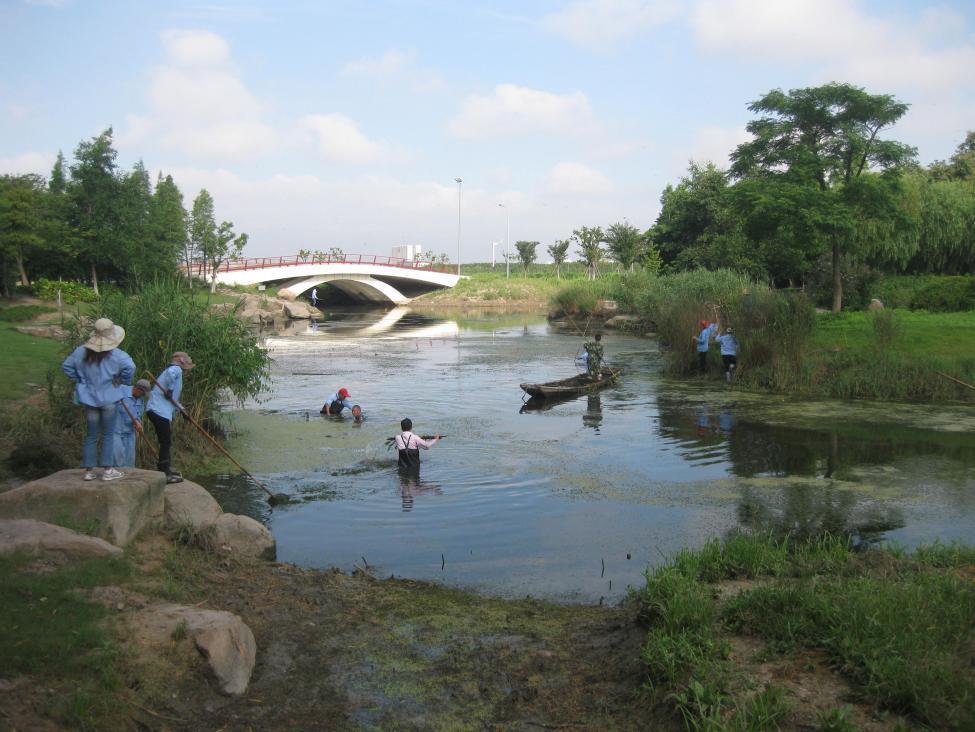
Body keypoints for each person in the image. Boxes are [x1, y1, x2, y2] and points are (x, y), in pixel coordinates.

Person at [61, 317, 135, 482]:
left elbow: (66, 366)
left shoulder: (80, 351)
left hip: (89, 398)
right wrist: (122, 380)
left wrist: (80, 380)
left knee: (91, 435)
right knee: (108, 434)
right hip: (109, 398)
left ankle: (88, 471)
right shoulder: (117, 355)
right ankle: (108, 470)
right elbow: (131, 368)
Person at [146, 351, 195, 484]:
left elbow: (172, 399)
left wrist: (183, 410)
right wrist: (171, 389)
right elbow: (170, 377)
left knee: (165, 441)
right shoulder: (176, 369)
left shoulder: (174, 373)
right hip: (158, 410)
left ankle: (164, 468)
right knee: (166, 441)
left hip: (155, 410)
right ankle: (165, 473)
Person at [114, 379, 152, 468]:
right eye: (142, 393)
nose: (143, 396)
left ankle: (129, 480)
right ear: (137, 389)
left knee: (129, 461)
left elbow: (139, 414)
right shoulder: (121, 390)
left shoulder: (141, 399)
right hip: (116, 432)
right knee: (118, 460)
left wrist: (138, 422)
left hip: (130, 433)